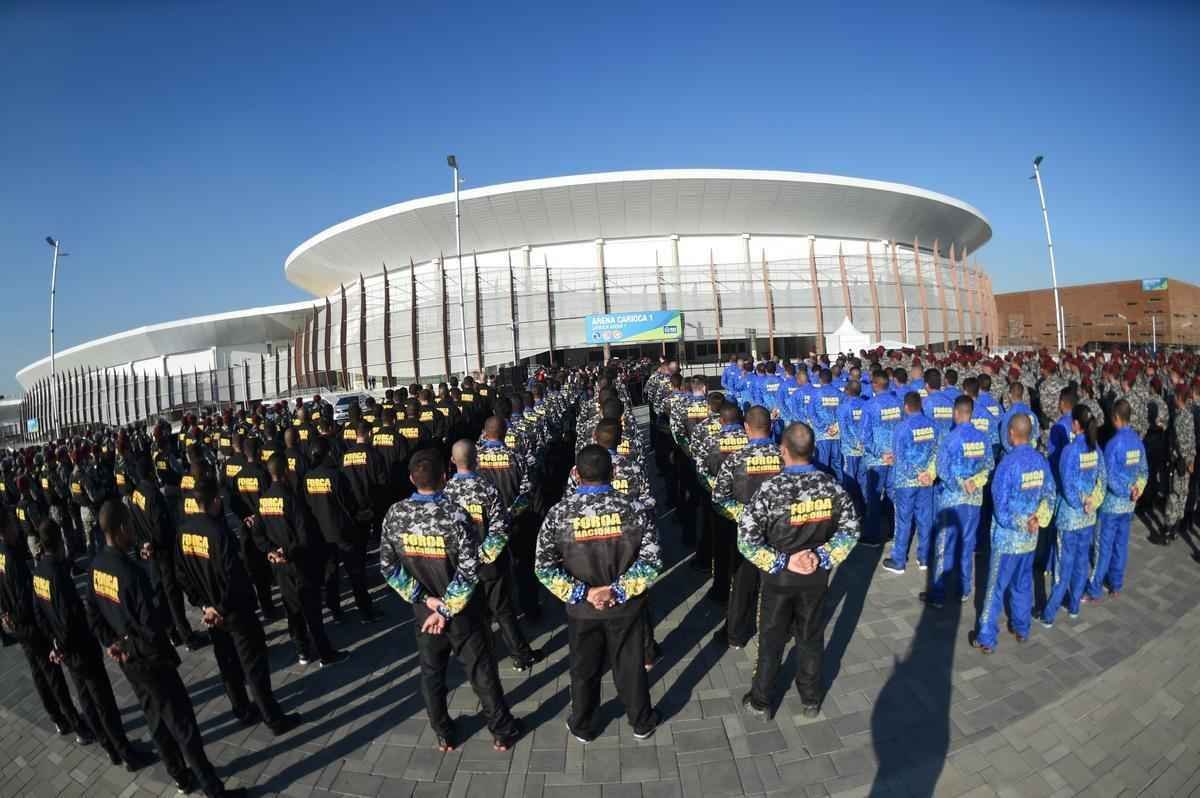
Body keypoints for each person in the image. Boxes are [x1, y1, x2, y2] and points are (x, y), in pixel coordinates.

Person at [86, 500, 243, 797]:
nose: (133, 531)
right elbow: (150, 626)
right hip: (150, 660)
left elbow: (93, 614)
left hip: (128, 661)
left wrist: (113, 643)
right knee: (183, 725)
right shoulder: (131, 573)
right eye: (130, 526)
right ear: (121, 530)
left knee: (155, 720)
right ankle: (212, 788)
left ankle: (180, 777)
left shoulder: (96, 567)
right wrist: (133, 644)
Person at [380, 449, 521, 753]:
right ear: (445, 478)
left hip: (425, 614)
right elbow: (470, 570)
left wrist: (424, 601)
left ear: (411, 479)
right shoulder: (455, 514)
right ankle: (501, 731)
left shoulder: (395, 515)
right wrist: (444, 607)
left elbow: (389, 568)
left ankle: (443, 733)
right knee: (481, 672)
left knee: (432, 674)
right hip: (462, 612)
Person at [537, 444, 662, 742]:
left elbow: (543, 568)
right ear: (614, 471)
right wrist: (617, 591)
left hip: (583, 611)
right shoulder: (634, 509)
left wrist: (584, 594)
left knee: (584, 669)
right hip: (625, 606)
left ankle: (583, 723)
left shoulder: (559, 513)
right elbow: (652, 562)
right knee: (630, 665)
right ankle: (641, 721)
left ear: (577, 475)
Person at [737, 422, 859, 719]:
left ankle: (761, 700)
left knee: (771, 639)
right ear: (813, 450)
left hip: (779, 580)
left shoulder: (771, 488)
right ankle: (810, 699)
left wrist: (783, 561)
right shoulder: (831, 485)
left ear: (783, 451)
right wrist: (824, 556)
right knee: (811, 638)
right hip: (815, 579)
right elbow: (851, 531)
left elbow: (746, 541)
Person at [176, 477, 303, 733]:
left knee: (228, 664)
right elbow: (233, 577)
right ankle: (273, 718)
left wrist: (204, 606)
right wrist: (220, 608)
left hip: (211, 613)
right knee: (253, 667)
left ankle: (241, 709)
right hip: (234, 612)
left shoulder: (183, 533)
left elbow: (181, 574)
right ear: (214, 501)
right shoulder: (219, 532)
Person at [31, 519, 150, 770]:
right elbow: (68, 618)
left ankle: (109, 747)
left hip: (66, 650)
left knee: (86, 699)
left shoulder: (39, 571)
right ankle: (125, 753)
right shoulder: (58, 575)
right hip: (80, 647)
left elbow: (39, 614)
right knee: (103, 702)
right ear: (60, 541)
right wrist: (63, 644)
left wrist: (54, 644)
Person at [443, 439, 544, 671]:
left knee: (476, 613)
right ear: (476, 460)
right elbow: (500, 529)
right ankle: (521, 654)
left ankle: (485, 655)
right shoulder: (487, 488)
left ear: (452, 461)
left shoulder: (446, 492)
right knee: (503, 609)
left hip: (461, 565)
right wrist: (484, 556)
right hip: (489, 563)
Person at [0, 508, 90, 742]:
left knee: (38, 672)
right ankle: (74, 723)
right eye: (12, 523)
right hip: (29, 624)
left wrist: (6, 614)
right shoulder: (12, 558)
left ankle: (56, 717)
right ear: (5, 529)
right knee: (52, 676)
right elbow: (23, 598)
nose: (17, 527)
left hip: (18, 624)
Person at [970, 415, 1056, 654]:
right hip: (1030, 539)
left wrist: (1023, 523)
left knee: (995, 588)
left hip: (1007, 541)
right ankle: (1021, 628)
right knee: (1022, 584)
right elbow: (1050, 495)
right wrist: (1036, 519)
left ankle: (987, 636)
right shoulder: (1041, 462)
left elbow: (1001, 508)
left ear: (1010, 433)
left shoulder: (1007, 465)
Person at [255, 454, 346, 667]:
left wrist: (271, 552)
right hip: (300, 564)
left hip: (279, 567)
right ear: (287, 471)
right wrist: (287, 552)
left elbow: (258, 534)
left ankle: (302, 651)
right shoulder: (292, 499)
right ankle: (325, 654)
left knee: (292, 609)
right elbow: (304, 536)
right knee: (312, 611)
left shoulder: (264, 500)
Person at [712, 405, 781, 647]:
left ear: (746, 429)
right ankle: (778, 632)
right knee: (775, 585)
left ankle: (736, 633)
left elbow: (719, 499)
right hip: (779, 534)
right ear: (771, 427)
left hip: (747, 534)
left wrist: (747, 516)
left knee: (742, 585)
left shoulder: (736, 459)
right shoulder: (785, 456)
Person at [129, 457, 205, 650]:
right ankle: (187, 636)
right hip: (164, 551)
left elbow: (134, 526)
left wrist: (142, 546)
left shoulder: (135, 494)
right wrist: (155, 543)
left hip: (150, 553)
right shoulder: (153, 494)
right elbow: (161, 527)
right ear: (150, 472)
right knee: (174, 595)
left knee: (160, 594)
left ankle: (172, 633)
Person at [923, 395, 992, 608]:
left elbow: (942, 469)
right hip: (974, 499)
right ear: (971, 413)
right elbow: (989, 465)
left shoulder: (950, 439)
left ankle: (939, 593)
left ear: (956, 413)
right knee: (967, 543)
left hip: (952, 501)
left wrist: (959, 483)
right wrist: (974, 481)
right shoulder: (983, 438)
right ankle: (965, 588)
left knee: (945, 545)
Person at [1040, 405, 1105, 627]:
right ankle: (1074, 606)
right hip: (1087, 517)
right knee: (1080, 562)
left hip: (1070, 518)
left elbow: (1067, 487)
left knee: (1063, 566)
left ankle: (1049, 613)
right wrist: (1091, 502)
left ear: (1076, 424)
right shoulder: (1096, 449)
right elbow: (1102, 482)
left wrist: (1081, 503)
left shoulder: (1069, 451)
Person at [305, 436, 377, 622]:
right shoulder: (336, 475)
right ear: (328, 453)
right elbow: (350, 504)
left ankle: (335, 611)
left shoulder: (307, 478)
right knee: (355, 572)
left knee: (331, 575)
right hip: (342, 532)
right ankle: (365, 610)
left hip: (322, 534)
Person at [1086, 399, 1148, 601]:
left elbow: (1108, 477)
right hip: (1129, 504)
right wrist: (1136, 490)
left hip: (1112, 504)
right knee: (1121, 545)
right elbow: (1143, 471)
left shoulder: (1113, 444)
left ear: (1115, 418)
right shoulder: (1138, 442)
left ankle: (1095, 588)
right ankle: (1116, 584)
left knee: (1103, 546)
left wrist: (1123, 491)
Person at [881, 392, 937, 574]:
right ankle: (924, 557)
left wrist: (916, 473)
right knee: (924, 519)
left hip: (905, 481)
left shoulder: (902, 428)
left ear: (906, 407)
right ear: (920, 405)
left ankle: (899, 560)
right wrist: (927, 473)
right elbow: (937, 452)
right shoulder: (933, 425)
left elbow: (900, 457)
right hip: (926, 481)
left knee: (903, 520)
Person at [858, 370, 902, 546]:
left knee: (874, 497)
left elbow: (864, 436)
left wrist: (881, 453)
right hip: (895, 458)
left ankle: (874, 535)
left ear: (875, 384)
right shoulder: (899, 404)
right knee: (893, 495)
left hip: (877, 460)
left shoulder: (869, 406)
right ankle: (893, 531)